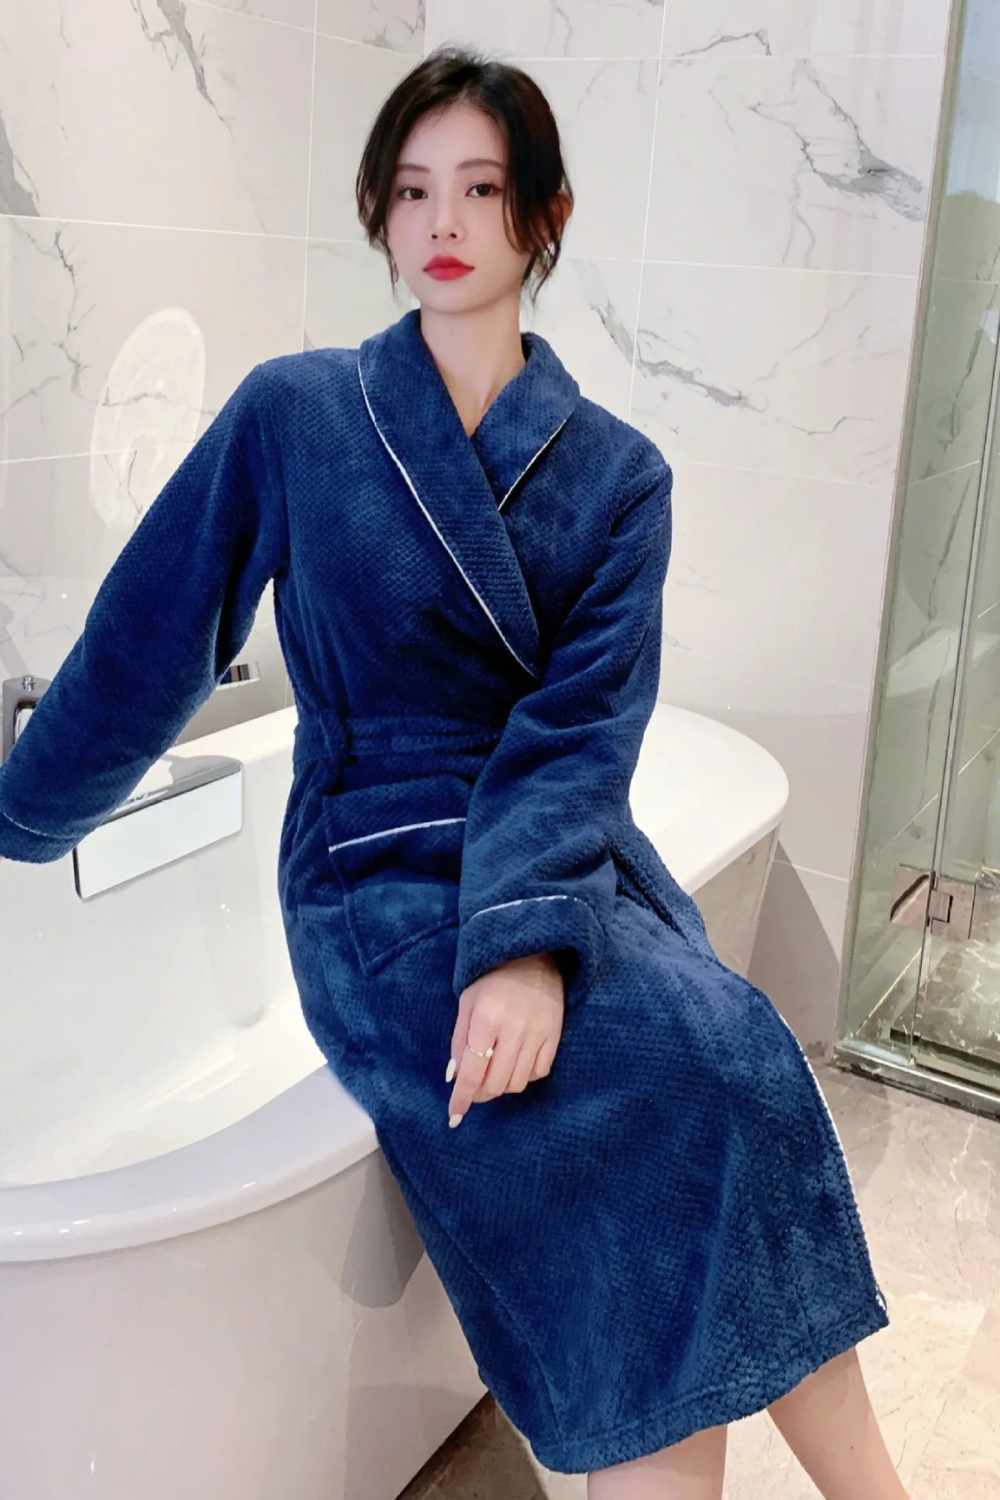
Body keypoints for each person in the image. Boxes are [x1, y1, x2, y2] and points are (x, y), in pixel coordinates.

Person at [0, 43, 909, 1500]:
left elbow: (582, 731)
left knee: (731, 1054)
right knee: (655, 1090)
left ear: (544, 216)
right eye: (413, 188)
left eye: (482, 189)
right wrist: (20, 817)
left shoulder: (619, 475)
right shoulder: (295, 415)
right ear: (378, 207)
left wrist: (526, 947)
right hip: (373, 875)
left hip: (550, 859)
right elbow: (148, 637)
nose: (442, 221)